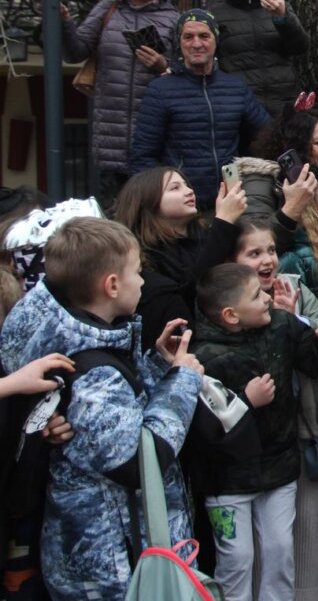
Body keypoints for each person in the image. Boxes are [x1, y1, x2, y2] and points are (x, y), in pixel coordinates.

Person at [0, 217, 204, 601]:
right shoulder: (94, 372)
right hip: (116, 569)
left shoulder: (79, 338)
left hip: (105, 558)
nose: (143, 281)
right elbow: (134, 462)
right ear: (111, 285)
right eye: (138, 272)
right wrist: (182, 382)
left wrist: (158, 366)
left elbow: (117, 419)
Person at [193, 262, 318, 601]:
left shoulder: (281, 325)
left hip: (279, 467)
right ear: (231, 315)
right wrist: (247, 401)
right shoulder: (203, 357)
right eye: (256, 296)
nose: (266, 298)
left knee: (279, 552)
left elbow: (314, 363)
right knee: (237, 559)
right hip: (226, 480)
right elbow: (207, 429)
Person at [61, 0, 179, 204]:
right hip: (111, 132)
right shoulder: (107, 12)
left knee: (150, 208)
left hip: (153, 131)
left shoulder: (172, 19)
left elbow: (184, 71)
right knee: (114, 207)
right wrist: (65, 23)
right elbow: (76, 51)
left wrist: (162, 64)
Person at [130, 9, 272, 209]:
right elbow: (143, 156)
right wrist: (157, 201)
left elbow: (268, 135)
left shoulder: (236, 87)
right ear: (179, 43)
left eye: (204, 36)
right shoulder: (161, 90)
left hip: (230, 198)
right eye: (188, 37)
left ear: (216, 41)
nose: (196, 44)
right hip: (183, 204)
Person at [114, 166, 247, 348]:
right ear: (148, 202)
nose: (189, 191)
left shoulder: (203, 234)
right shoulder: (143, 255)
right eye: (175, 188)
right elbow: (189, 294)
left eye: (186, 185)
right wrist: (223, 222)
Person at [209, 0, 310, 119]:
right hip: (241, 104)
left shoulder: (278, 6)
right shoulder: (216, 13)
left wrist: (282, 17)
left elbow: (301, 47)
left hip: (283, 102)